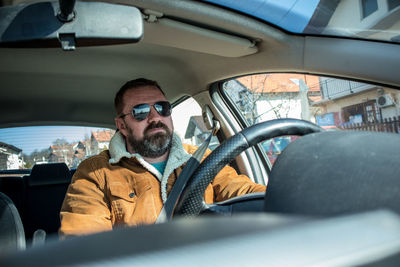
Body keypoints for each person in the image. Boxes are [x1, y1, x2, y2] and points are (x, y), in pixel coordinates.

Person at [59, 78, 266, 237]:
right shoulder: (95, 172)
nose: (155, 117)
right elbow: (85, 243)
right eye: (140, 112)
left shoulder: (199, 158)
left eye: (162, 108)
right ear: (121, 125)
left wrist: (288, 198)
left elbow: (245, 192)